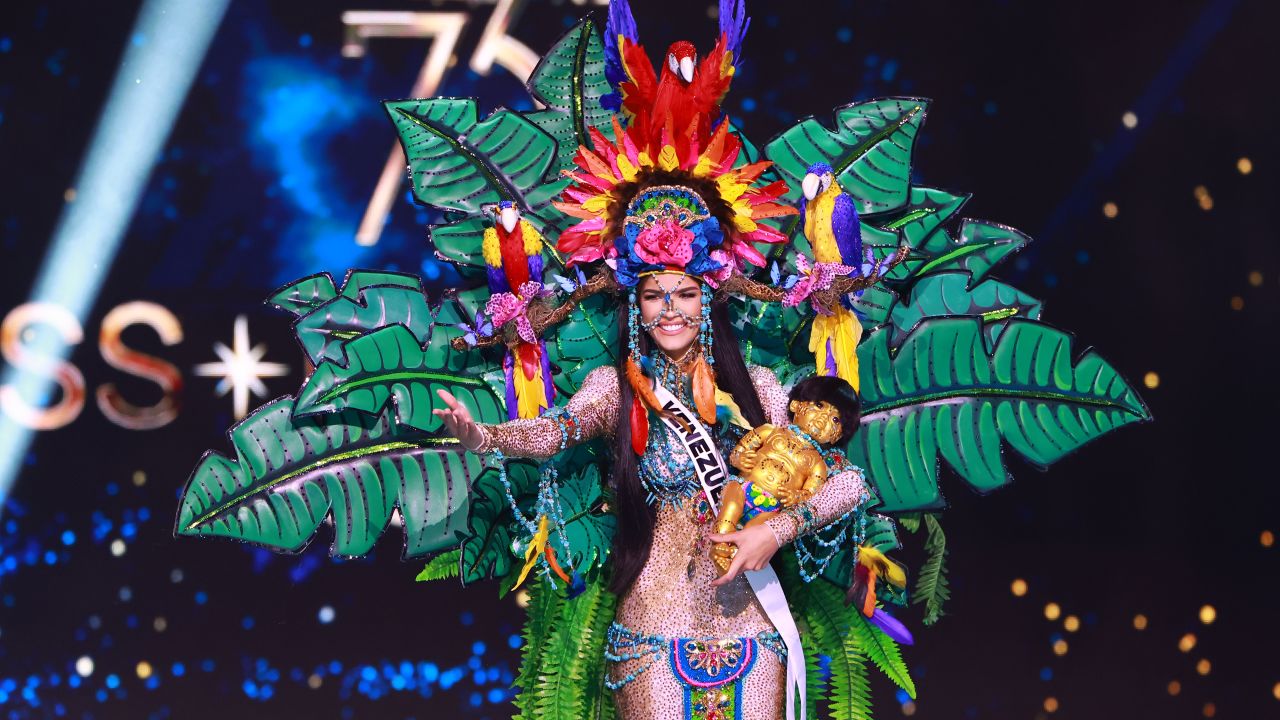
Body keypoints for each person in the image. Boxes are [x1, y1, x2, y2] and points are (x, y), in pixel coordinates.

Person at [434, 264, 870, 718]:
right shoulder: (614, 390)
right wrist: (483, 436)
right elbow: (553, 433)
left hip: (752, 627)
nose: (669, 310)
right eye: (653, 296)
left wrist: (776, 532)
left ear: (707, 302)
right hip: (652, 628)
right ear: (635, 307)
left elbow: (850, 483)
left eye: (684, 294)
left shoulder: (754, 386)